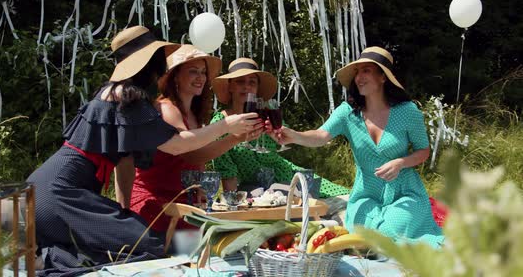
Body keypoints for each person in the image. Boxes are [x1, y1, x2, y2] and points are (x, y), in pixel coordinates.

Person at [26, 27, 259, 274]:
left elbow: (124, 162)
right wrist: (225, 125)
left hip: (44, 192)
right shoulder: (128, 98)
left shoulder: (116, 94)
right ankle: (50, 260)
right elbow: (178, 145)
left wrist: (122, 209)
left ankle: (49, 258)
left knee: (138, 240)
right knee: (148, 245)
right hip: (60, 193)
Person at [278, 47, 444, 247]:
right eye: (357, 72)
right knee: (371, 236)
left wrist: (401, 162)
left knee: (390, 232)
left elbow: (423, 151)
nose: (359, 77)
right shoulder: (348, 112)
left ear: (383, 77)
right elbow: (320, 136)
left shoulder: (408, 112)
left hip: (404, 193)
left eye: (366, 70)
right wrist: (294, 136)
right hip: (366, 195)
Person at [131, 46, 264, 233]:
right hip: (157, 204)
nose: (200, 77)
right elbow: (188, 153)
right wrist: (227, 127)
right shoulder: (166, 108)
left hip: (184, 201)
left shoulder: (194, 114)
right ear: (175, 76)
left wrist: (238, 138)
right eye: (193, 71)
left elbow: (199, 156)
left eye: (203, 72)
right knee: (218, 239)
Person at [210, 57, 350, 198]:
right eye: (240, 81)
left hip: (287, 176)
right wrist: (233, 203)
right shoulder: (221, 122)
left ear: (257, 88)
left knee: (342, 196)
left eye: (252, 82)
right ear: (230, 86)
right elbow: (226, 170)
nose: (246, 86)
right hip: (257, 191)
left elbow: (284, 137)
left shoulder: (265, 113)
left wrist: (279, 134)